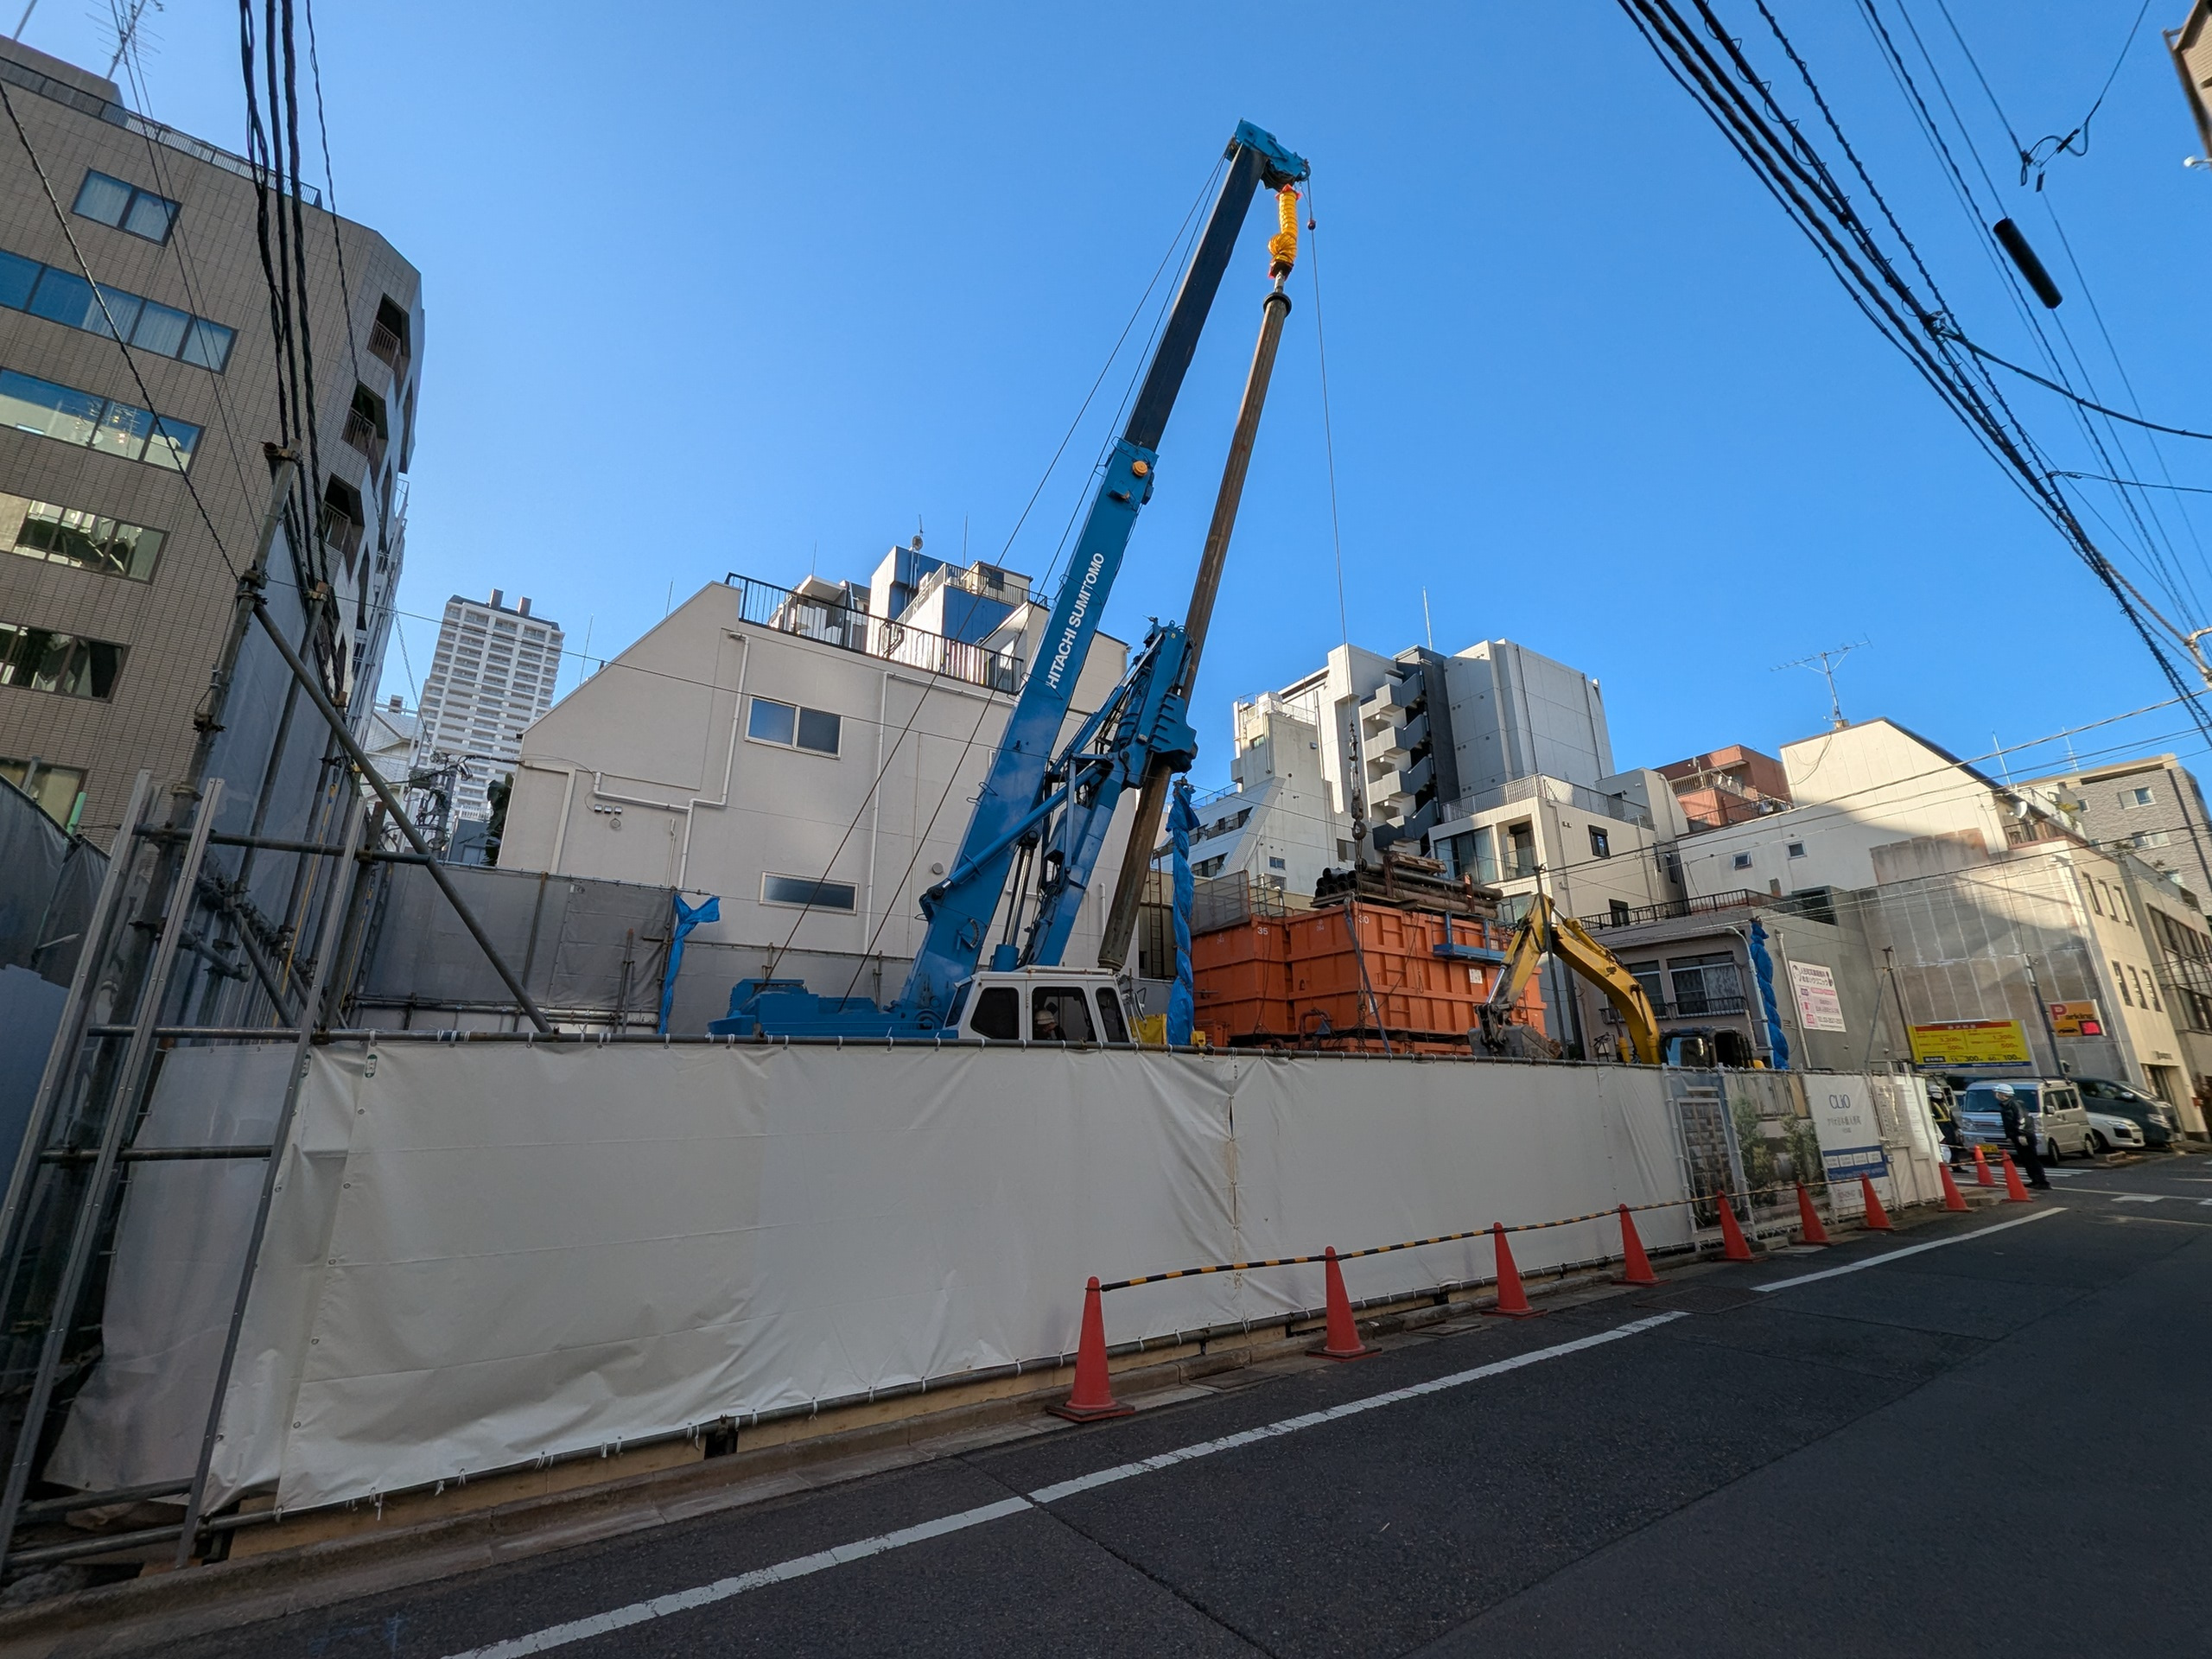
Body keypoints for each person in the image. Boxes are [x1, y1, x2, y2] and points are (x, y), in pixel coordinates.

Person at [1995, 1083, 2050, 1191]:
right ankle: (2035, 1180)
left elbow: (2021, 1119)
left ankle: (2042, 1182)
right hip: (2017, 1135)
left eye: (1997, 1093)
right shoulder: (2006, 1105)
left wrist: (2021, 1134)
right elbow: (2008, 1123)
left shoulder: (2015, 1104)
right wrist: (2010, 1136)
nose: (1996, 1095)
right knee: (2025, 1160)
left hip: (2025, 1135)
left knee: (2031, 1159)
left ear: (2003, 1094)